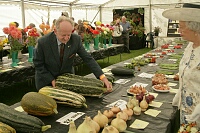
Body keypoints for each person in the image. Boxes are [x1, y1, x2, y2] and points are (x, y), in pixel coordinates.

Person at [33, 16, 112, 92]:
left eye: (69, 35)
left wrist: (102, 77)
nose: (66, 38)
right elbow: (38, 63)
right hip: (46, 81)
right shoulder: (43, 42)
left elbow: (88, 58)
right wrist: (50, 79)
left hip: (68, 81)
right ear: (55, 31)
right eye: (63, 35)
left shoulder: (76, 40)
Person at [162, 3, 200, 128]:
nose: (179, 30)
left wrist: (197, 113)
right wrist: (179, 97)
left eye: (182, 27)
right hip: (186, 111)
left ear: (195, 29)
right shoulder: (190, 46)